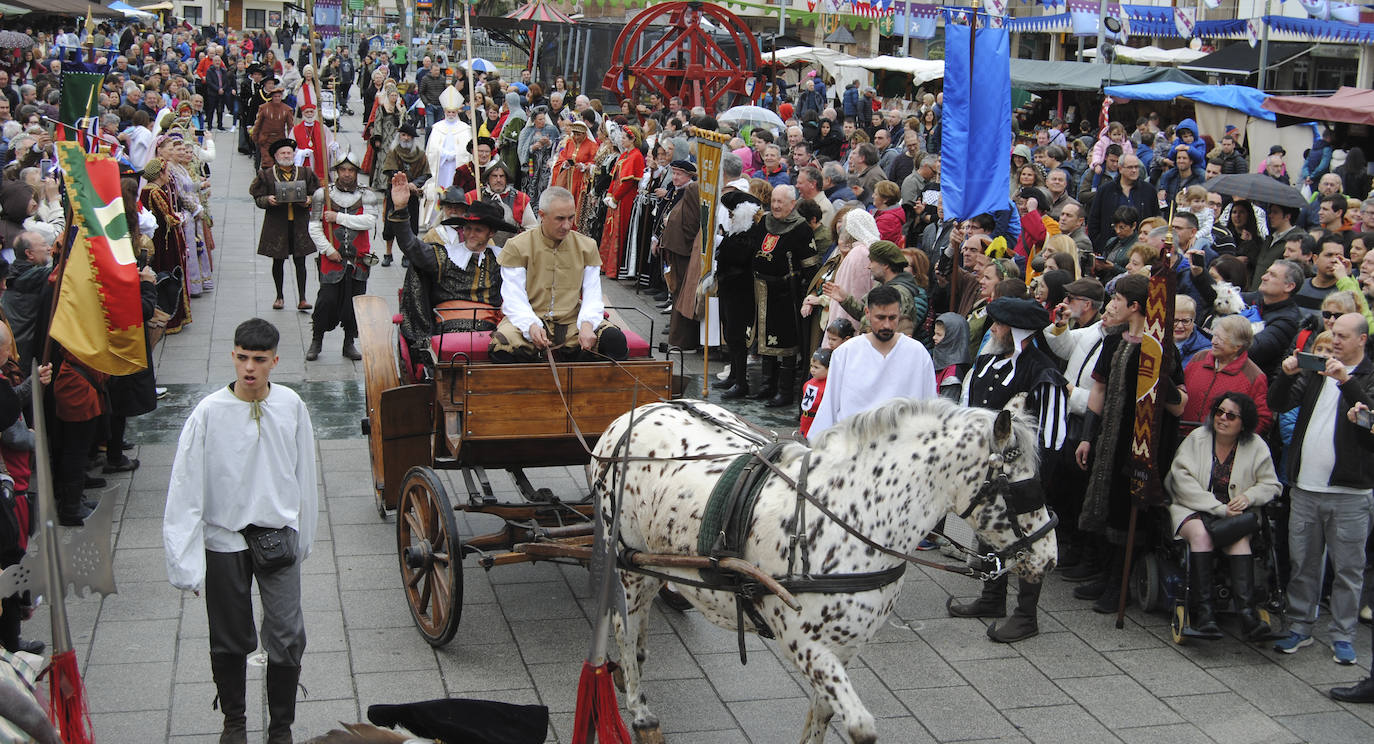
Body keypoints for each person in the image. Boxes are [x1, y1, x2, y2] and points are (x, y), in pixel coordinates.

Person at [164, 319, 317, 744]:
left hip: (278, 536)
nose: (250, 367)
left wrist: (304, 537)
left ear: (274, 361)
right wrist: (186, 561)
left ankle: (280, 728)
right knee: (230, 638)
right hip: (225, 539)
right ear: (233, 356)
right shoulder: (209, 413)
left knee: (287, 635)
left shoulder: (291, 406)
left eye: (259, 359)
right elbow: (185, 486)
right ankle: (234, 722)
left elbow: (305, 474)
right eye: (243, 357)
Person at [949, 296, 1068, 642]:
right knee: (989, 530)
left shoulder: (1042, 372)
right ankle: (991, 597)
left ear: (1017, 331)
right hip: (987, 472)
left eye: (1000, 324)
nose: (994, 329)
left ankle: (1026, 616)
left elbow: (1053, 435)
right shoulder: (989, 362)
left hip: (1022, 478)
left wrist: (1034, 484)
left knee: (1031, 542)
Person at [1074, 274, 1188, 613]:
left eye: (1117, 301)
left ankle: (1119, 583)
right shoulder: (1112, 341)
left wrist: (1158, 374)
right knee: (1107, 505)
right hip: (1109, 436)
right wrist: (1086, 436)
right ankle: (1105, 571)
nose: (1111, 307)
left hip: (1140, 442)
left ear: (1135, 306)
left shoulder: (1160, 348)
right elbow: (1099, 390)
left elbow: (1179, 403)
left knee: (1129, 510)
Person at [1268, 313, 1374, 666]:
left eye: (1344, 336)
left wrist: (1347, 383)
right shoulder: (1316, 373)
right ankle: (1300, 625)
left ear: (1362, 339)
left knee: (1347, 569)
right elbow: (1279, 403)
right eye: (1333, 334)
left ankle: (1343, 635)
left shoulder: (1367, 376)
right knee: (1303, 563)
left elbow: (1371, 420)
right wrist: (1285, 376)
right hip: (1306, 487)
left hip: (1350, 493)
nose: (1336, 341)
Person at [1164, 391, 1280, 640]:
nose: (1222, 418)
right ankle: (1205, 614)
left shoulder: (1257, 446)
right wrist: (1217, 507)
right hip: (1193, 507)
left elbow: (1271, 485)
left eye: (1230, 415)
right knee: (1200, 535)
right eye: (1219, 412)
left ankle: (1248, 616)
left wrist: (1249, 497)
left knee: (1240, 539)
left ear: (1243, 422)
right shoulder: (1198, 438)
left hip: (1234, 514)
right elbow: (1180, 481)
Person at [487, 186, 629, 363]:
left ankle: (592, 388)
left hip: (572, 321)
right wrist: (531, 325)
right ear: (542, 215)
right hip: (529, 318)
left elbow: (593, 295)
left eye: (571, 218)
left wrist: (586, 325)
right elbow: (513, 297)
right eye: (560, 219)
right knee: (502, 347)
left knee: (614, 341)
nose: (567, 225)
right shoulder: (517, 246)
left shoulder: (587, 246)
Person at [389, 180, 520, 358]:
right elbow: (410, 246)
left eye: (478, 230)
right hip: (448, 328)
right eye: (468, 229)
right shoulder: (444, 255)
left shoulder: (502, 260)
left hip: (491, 329)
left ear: (491, 234)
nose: (471, 234)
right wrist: (401, 208)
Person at [807, 284, 936, 439]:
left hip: (901, 447)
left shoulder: (917, 353)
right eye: (880, 318)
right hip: (854, 444)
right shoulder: (845, 353)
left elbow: (929, 406)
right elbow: (830, 404)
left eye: (892, 318)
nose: (887, 325)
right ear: (867, 313)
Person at [752, 184, 821, 407]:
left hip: (786, 293)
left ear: (792, 204)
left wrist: (805, 292)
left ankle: (784, 390)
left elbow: (810, 265)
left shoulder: (801, 229)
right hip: (762, 290)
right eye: (773, 201)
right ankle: (766, 384)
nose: (775, 205)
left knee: (785, 341)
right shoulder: (765, 221)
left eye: (780, 202)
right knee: (764, 338)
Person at [305, 152, 378, 362]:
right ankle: (316, 339)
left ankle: (349, 342)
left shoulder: (367, 195)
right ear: (337, 171)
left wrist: (338, 217)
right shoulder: (322, 194)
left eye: (351, 170)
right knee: (325, 301)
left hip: (359, 259)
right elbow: (314, 227)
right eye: (343, 170)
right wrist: (328, 250)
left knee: (354, 304)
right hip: (332, 258)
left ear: (356, 172)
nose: (347, 174)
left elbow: (369, 221)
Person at [249, 138, 321, 311]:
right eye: (282, 153)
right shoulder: (266, 175)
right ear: (276, 156)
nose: (286, 155)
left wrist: (310, 200)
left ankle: (303, 298)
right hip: (277, 224)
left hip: (299, 223)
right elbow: (257, 197)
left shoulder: (305, 173)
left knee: (300, 261)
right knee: (278, 261)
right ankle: (279, 296)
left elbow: (317, 193)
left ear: (294, 154)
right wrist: (267, 200)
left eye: (289, 152)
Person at [379, 124, 430, 267]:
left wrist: (415, 184)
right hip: (395, 193)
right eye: (403, 135)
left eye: (408, 136)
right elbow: (390, 170)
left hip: (412, 195)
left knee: (411, 224)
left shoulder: (420, 153)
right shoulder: (393, 151)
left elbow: (426, 173)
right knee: (390, 224)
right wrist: (404, 184)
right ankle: (388, 254)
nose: (406, 138)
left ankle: (407, 254)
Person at [422, 86, 473, 225]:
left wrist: (455, 155)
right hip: (441, 167)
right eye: (448, 112)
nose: (451, 114)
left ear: (457, 112)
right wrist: (444, 154)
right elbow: (431, 149)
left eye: (453, 112)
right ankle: (435, 219)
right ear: (445, 112)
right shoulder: (437, 128)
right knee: (439, 190)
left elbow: (467, 152)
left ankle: (454, 217)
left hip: (456, 166)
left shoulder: (464, 129)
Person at [252, 81, 293, 167]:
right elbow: (258, 123)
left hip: (280, 139)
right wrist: (255, 136)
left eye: (279, 96)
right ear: (272, 97)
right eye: (275, 96)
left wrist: (291, 139)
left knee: (279, 161)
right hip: (265, 139)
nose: (277, 98)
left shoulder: (287, 109)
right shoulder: (263, 108)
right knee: (267, 162)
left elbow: (290, 126)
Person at [799, 348, 830, 438]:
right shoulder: (808, 384)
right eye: (811, 366)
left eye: (816, 367)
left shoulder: (829, 387)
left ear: (829, 369)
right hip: (805, 421)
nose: (812, 370)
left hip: (819, 424)